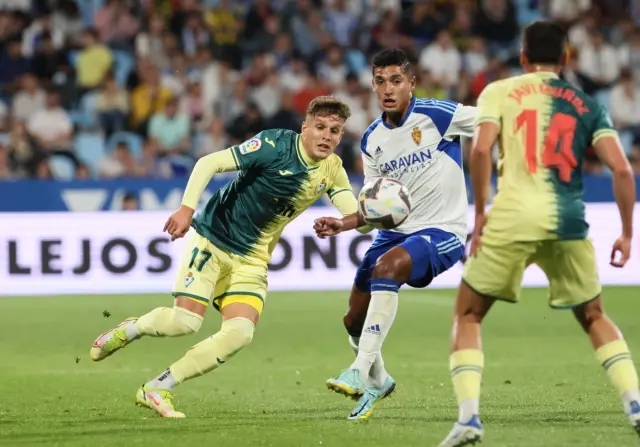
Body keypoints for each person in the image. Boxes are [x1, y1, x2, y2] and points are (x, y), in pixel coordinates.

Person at [89, 96, 361, 418]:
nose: (327, 136)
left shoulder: (332, 169)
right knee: (184, 322)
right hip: (214, 239)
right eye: (320, 127)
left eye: (334, 131)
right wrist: (187, 209)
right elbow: (208, 163)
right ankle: (131, 329)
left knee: (240, 333)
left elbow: (359, 217)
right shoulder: (274, 146)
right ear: (304, 128)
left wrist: (347, 222)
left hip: (253, 260)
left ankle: (157, 387)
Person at [438, 21, 639, 447]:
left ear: (523, 57)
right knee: (594, 315)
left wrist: (480, 213)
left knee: (469, 314)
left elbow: (480, 148)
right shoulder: (588, 105)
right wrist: (626, 233)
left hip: (511, 218)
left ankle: (469, 418)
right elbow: (623, 169)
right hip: (568, 220)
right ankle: (635, 404)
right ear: (565, 59)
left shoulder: (498, 92)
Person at [313, 48, 476, 420]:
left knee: (387, 267)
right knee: (353, 320)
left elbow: (493, 120)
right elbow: (377, 206)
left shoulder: (438, 115)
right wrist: (343, 223)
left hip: (442, 229)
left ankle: (358, 370)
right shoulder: (372, 140)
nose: (388, 89)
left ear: (411, 82)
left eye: (396, 80)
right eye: (381, 81)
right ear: (373, 85)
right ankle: (380, 379)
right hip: (393, 234)